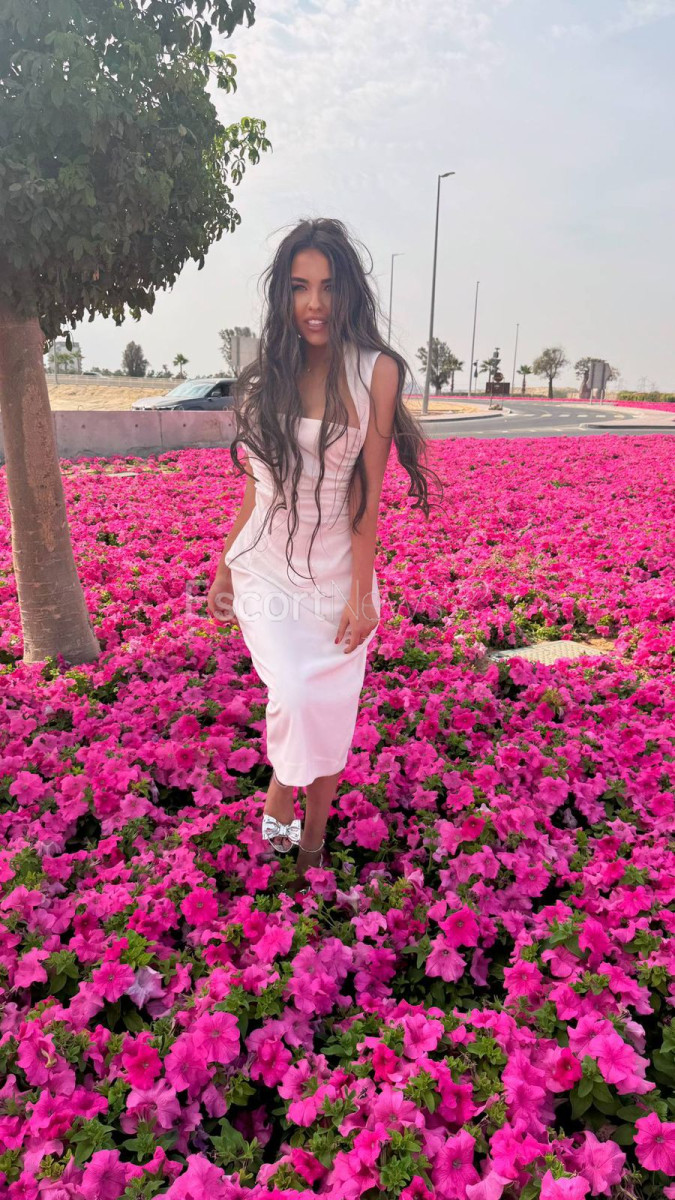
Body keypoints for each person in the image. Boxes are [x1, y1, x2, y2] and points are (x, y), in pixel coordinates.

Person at [207, 218, 443, 888]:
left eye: (328, 286)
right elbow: (257, 490)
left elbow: (367, 494)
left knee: (329, 712)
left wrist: (362, 593)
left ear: (349, 294)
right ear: (282, 294)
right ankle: (282, 800)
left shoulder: (376, 371)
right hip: (266, 568)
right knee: (295, 691)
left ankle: (309, 843)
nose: (314, 303)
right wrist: (224, 568)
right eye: (299, 286)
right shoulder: (267, 379)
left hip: (337, 574)